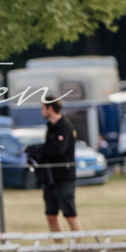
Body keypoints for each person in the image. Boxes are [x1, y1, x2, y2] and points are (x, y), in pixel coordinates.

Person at [40, 99, 81, 232]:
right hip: (50, 178)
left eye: (43, 108)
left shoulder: (65, 126)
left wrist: (40, 150)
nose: (42, 111)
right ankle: (58, 249)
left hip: (64, 177)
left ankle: (80, 246)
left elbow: (58, 150)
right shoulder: (50, 127)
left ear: (50, 108)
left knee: (70, 215)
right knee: (50, 215)